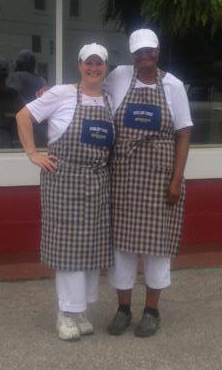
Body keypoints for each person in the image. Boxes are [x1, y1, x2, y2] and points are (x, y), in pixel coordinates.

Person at [15, 44, 115, 341]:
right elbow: (23, 116)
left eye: (99, 64)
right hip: (65, 180)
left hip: (97, 181)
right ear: (79, 65)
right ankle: (65, 313)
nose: (94, 68)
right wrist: (33, 153)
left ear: (106, 68)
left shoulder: (109, 99)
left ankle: (81, 311)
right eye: (88, 63)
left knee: (92, 248)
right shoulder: (61, 94)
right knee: (69, 249)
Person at [103, 28, 192, 338]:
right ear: (132, 55)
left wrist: (176, 179)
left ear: (158, 51)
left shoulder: (173, 86)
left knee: (157, 248)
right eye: (140, 53)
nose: (145, 57)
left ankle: (152, 311)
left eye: (150, 51)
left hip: (160, 179)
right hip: (125, 178)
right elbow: (87, 86)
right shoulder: (119, 77)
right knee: (122, 249)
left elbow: (183, 133)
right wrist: (51, 92)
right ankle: (123, 309)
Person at [8, 50, 48, 148]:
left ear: (19, 63)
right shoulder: (42, 80)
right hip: (40, 127)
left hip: (23, 124)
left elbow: (10, 93)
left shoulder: (18, 76)